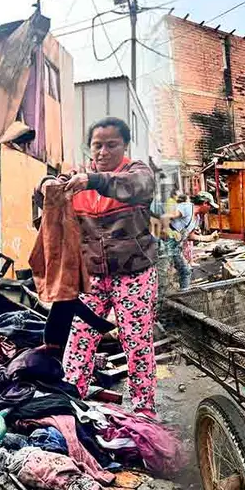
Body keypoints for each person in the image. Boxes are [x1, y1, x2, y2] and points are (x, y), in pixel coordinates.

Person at [38, 117, 159, 416]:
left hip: (135, 273)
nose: (103, 152)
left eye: (111, 145)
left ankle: (144, 409)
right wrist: (45, 186)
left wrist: (93, 181)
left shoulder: (136, 173)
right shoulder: (77, 178)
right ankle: (70, 399)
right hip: (92, 276)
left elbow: (138, 186)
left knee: (137, 341)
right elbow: (43, 201)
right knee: (80, 338)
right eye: (97, 146)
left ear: (125, 145)